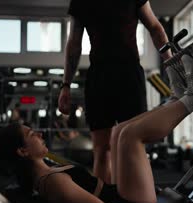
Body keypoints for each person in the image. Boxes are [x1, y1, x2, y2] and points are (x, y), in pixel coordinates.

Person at [0, 54, 193, 203]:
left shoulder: (46, 174)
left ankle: (176, 100)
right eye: (32, 135)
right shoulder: (52, 182)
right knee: (130, 136)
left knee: (118, 132)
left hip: (120, 196)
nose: (39, 134)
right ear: (22, 151)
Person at [58, 0, 173, 185]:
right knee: (102, 150)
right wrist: (65, 85)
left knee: (135, 145)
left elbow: (155, 27)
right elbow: (74, 42)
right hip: (99, 77)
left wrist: (171, 63)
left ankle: (138, 201)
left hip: (129, 74)